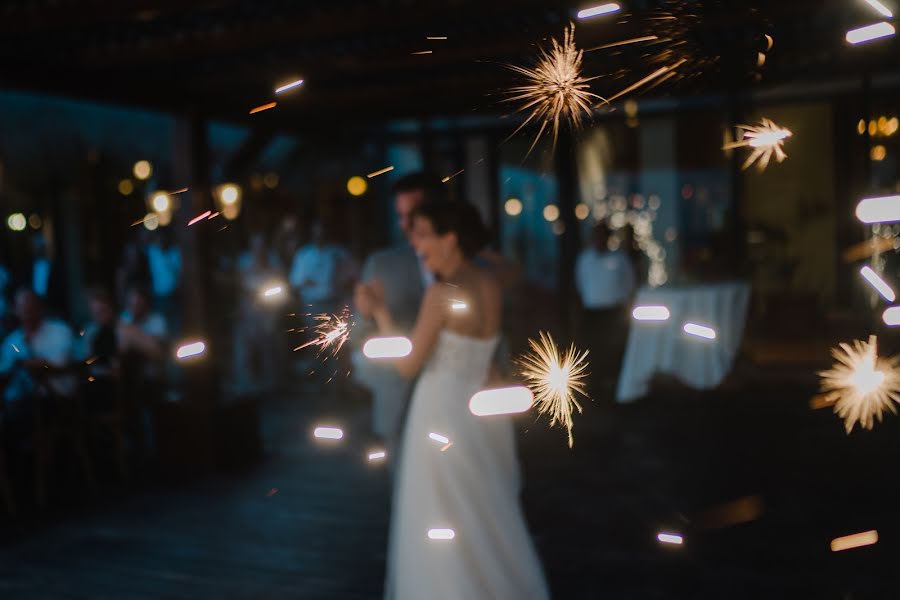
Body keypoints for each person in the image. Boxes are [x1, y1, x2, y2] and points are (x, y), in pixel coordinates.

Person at [357, 201, 549, 599]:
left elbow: (409, 364)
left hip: (439, 414)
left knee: (439, 511)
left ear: (450, 239)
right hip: (478, 413)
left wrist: (382, 315)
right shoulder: (490, 285)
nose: (417, 243)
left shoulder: (442, 294)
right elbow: (488, 357)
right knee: (484, 509)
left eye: (424, 234)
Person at [352, 172, 445, 457]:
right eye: (400, 215)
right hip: (400, 402)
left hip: (456, 402)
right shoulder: (382, 264)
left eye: (413, 214)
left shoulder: (473, 266)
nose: (405, 225)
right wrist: (367, 315)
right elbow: (357, 339)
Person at [0, 289, 76, 439]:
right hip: (20, 401)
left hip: (57, 399)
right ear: (16, 310)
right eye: (23, 307)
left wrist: (36, 365)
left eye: (31, 306)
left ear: (40, 307)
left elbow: (61, 364)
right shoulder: (12, 341)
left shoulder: (59, 331)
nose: (27, 311)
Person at [575, 221, 636, 392]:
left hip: (613, 313)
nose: (599, 239)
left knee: (614, 351)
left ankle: (616, 387)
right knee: (593, 351)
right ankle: (595, 389)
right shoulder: (584, 260)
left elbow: (629, 285)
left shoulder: (620, 259)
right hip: (592, 313)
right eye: (596, 235)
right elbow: (580, 284)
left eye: (602, 235)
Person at [289, 219, 354, 314]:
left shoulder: (339, 252)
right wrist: (305, 281)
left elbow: (351, 275)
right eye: (317, 233)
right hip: (311, 304)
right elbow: (294, 280)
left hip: (335, 302)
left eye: (322, 232)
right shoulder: (304, 254)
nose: (319, 236)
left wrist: (341, 283)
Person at [145, 230, 181, 334]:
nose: (161, 241)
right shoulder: (152, 252)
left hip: (173, 294)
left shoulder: (174, 252)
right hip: (158, 295)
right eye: (159, 238)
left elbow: (179, 272)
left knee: (174, 322)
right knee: (161, 320)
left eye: (163, 238)